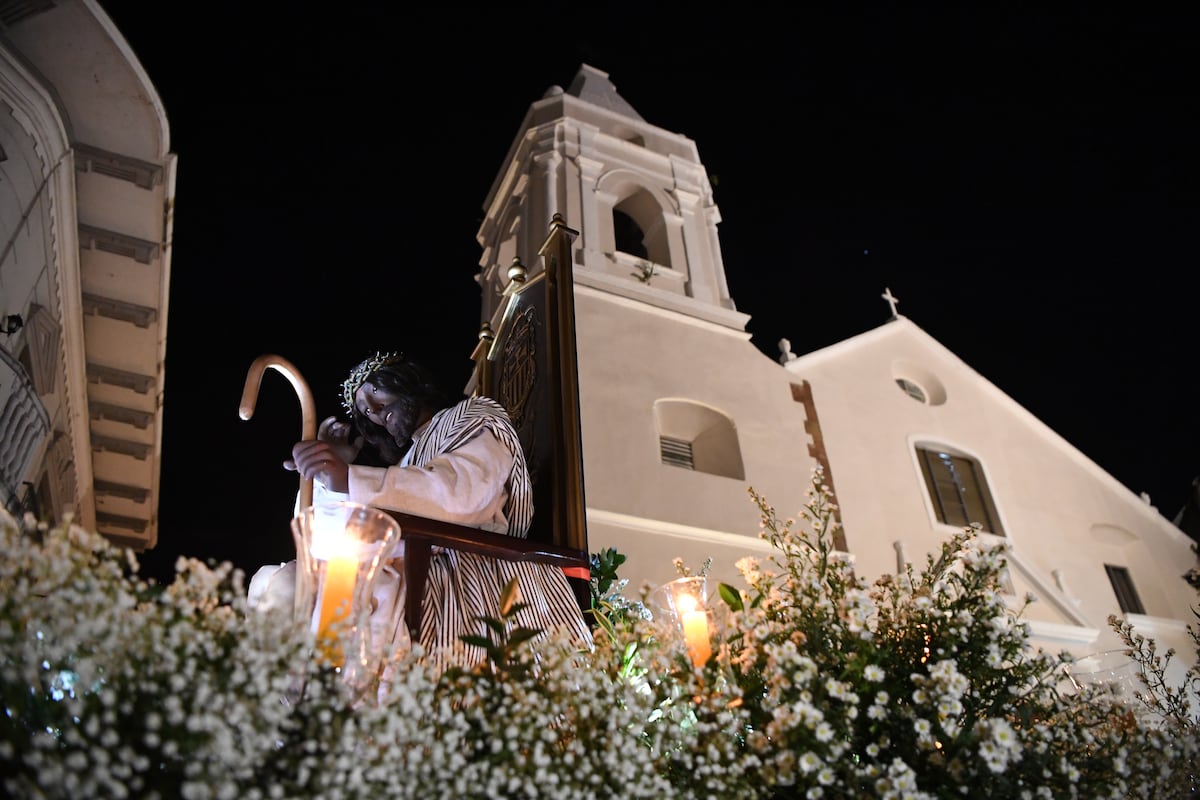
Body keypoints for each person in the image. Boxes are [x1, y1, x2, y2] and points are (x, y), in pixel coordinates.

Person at [247, 351, 593, 672]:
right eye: (365, 412)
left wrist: (347, 478)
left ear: (406, 381)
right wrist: (327, 478)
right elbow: (316, 537)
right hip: (411, 568)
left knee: (294, 591)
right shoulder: (407, 462)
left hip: (465, 575)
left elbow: (461, 495)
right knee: (277, 581)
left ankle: (312, 693)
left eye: (375, 395)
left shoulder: (471, 417)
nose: (374, 413)